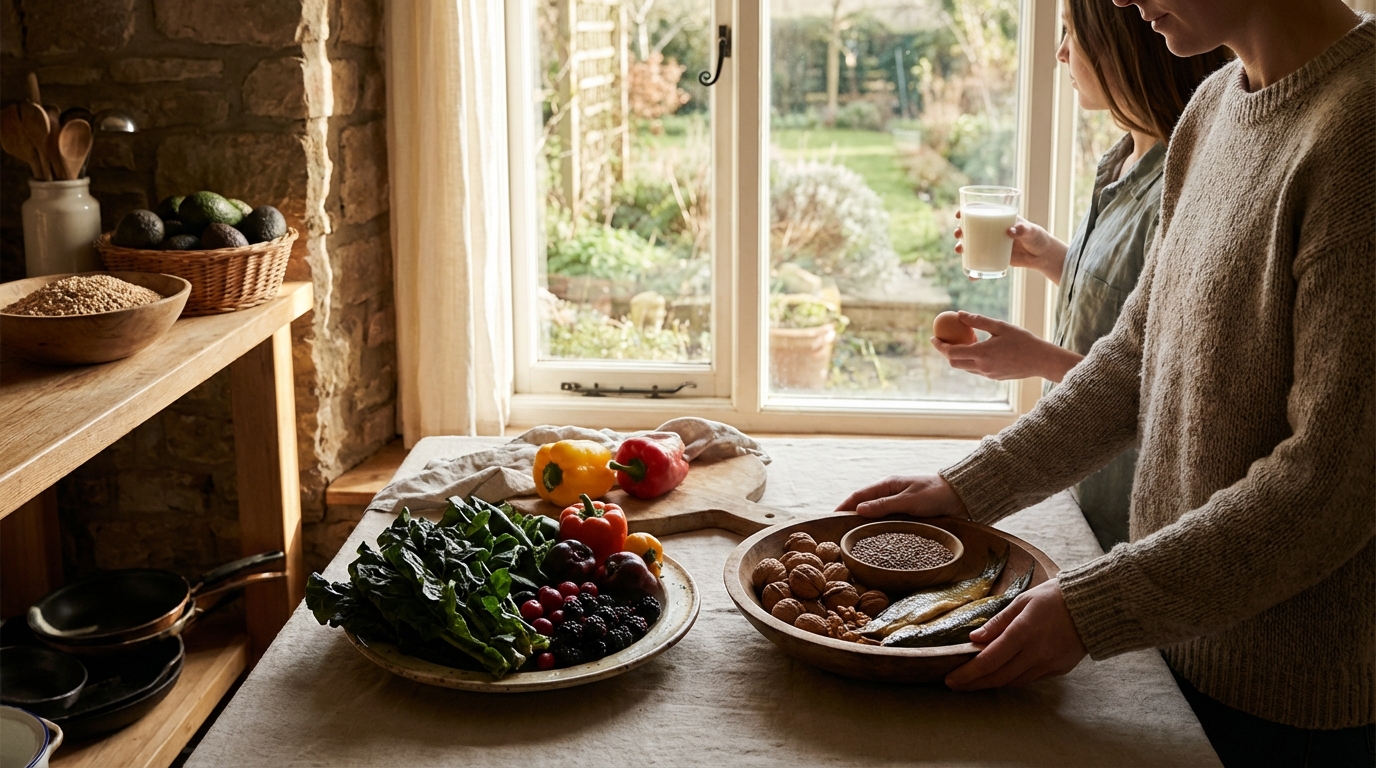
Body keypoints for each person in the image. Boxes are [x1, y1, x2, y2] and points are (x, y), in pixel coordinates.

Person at [838, 0, 1374, 765]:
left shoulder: (1362, 130)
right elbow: (1133, 357)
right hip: (1173, 649)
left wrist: (1098, 608)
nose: (1118, 1)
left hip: (1292, 703)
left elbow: (1333, 485)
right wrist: (970, 489)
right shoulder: (1212, 107)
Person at [936, 0, 1228, 552]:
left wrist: (1036, 359)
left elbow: (1170, 389)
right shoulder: (1121, 163)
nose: (1061, 53)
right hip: (1083, 487)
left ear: (1124, 46)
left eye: (1073, 34)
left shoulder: (1184, 185)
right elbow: (1135, 306)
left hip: (1132, 512)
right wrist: (1052, 256)